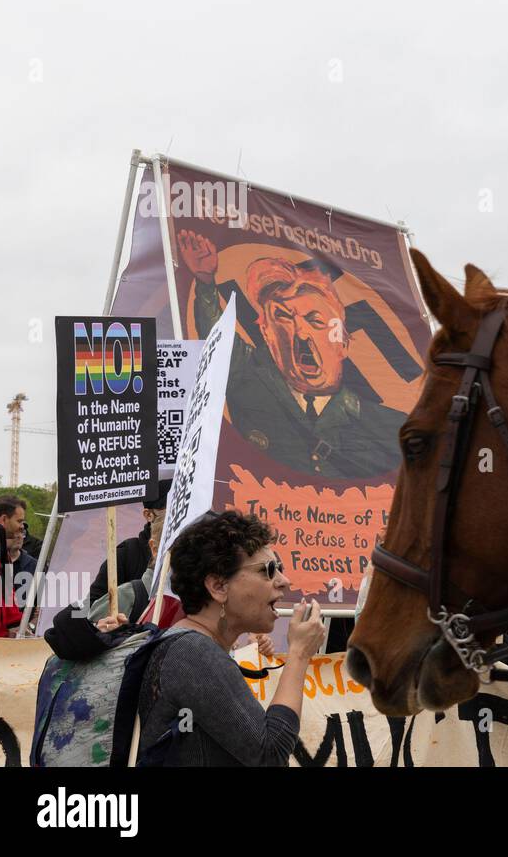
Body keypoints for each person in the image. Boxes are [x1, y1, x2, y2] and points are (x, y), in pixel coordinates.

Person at [176, 231, 407, 478]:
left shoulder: (390, 427)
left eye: (314, 320)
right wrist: (205, 283)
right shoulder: (249, 382)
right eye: (284, 318)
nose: (301, 333)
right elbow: (218, 341)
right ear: (267, 334)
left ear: (343, 342)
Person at [130, 510, 326, 765]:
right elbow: (270, 755)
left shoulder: (193, 646)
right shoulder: (194, 652)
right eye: (268, 570)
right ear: (219, 587)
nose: (284, 581)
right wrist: (299, 654)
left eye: (279, 568)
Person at [82, 478, 173, 620]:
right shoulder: (127, 553)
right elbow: (92, 609)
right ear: (148, 515)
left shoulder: (197, 550)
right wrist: (114, 625)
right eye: (170, 508)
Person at [0, 497, 25, 637]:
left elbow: (7, 590)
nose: (22, 526)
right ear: (4, 519)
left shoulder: (1, 547)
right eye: (19, 521)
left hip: (0, 639)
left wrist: (16, 624)